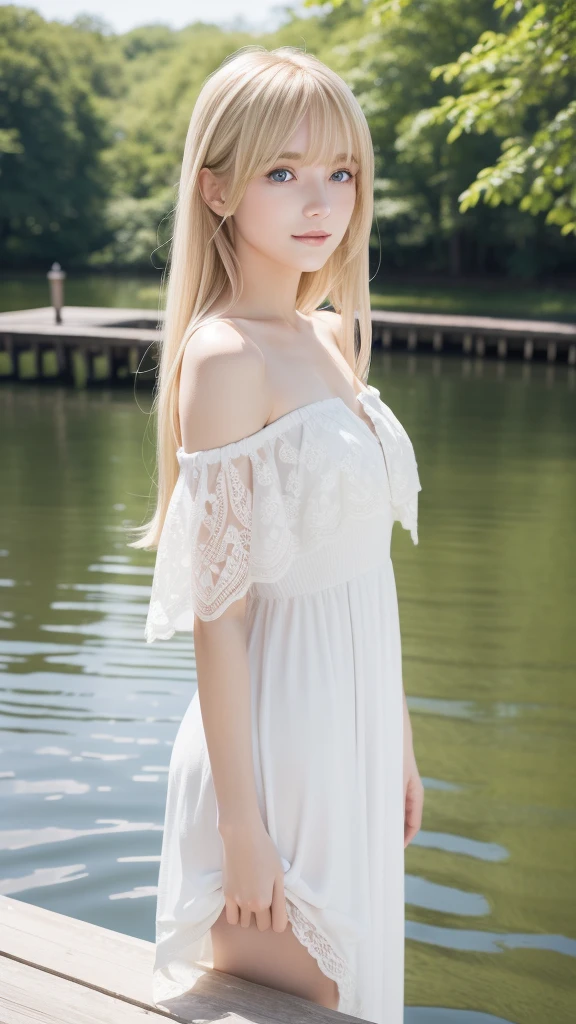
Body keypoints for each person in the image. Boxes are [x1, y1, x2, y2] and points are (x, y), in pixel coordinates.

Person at [130, 44, 424, 1024]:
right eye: (284, 171)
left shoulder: (333, 337)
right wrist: (243, 824)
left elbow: (362, 569)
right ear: (216, 190)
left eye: (341, 172)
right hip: (276, 741)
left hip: (358, 722)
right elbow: (223, 620)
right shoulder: (224, 358)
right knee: (314, 995)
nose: (321, 200)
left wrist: (402, 742)